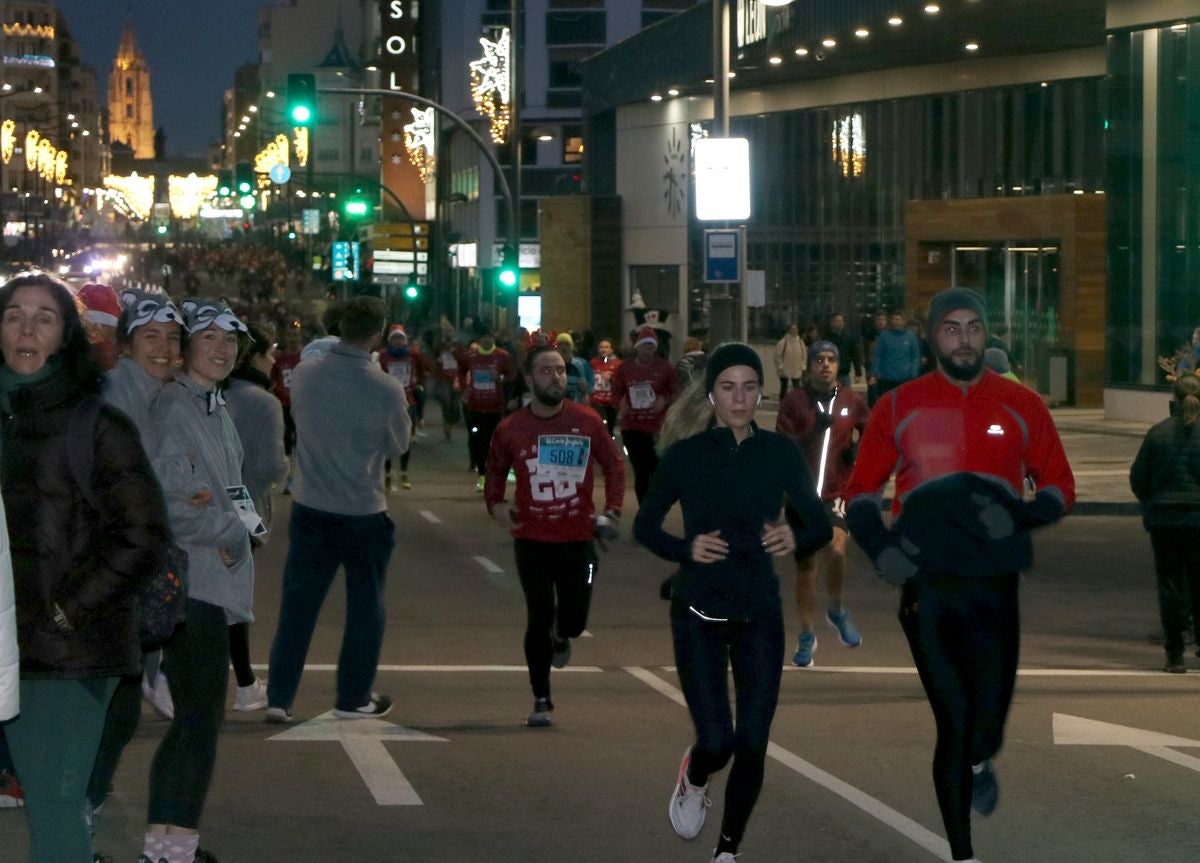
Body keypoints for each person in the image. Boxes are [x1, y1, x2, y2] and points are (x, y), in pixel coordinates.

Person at [844, 287, 1075, 863]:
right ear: (932, 337)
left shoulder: (1023, 405)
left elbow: (1059, 487)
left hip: (996, 586)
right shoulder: (899, 406)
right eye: (952, 329)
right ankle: (963, 854)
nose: (965, 339)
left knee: (985, 727)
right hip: (928, 586)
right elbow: (860, 493)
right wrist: (881, 551)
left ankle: (981, 757)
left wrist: (1020, 515)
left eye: (974, 327)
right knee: (953, 720)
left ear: (986, 333)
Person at [634, 342, 831, 863]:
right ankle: (695, 775)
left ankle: (727, 851)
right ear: (712, 394)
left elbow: (818, 522)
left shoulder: (780, 453)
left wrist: (796, 535)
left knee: (753, 742)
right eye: (728, 387)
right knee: (718, 742)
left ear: (760, 393)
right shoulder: (686, 457)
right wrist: (686, 548)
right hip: (698, 611)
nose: (739, 398)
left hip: (759, 613)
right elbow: (645, 526)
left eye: (749, 387)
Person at [0, 273, 169, 863]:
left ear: (66, 336)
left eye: (43, 318)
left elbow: (143, 535)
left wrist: (66, 611)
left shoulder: (94, 425)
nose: (25, 330)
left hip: (61, 657)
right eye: (14, 315)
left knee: (52, 809)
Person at [143, 297, 255, 863]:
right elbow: (166, 503)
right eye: (209, 338)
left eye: (231, 341)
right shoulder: (175, 408)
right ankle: (172, 849)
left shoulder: (212, 406)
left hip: (210, 579)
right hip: (192, 584)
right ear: (187, 345)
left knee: (193, 721)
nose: (222, 348)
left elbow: (227, 488)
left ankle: (167, 844)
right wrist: (232, 530)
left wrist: (242, 521)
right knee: (199, 722)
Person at [265, 296, 411, 724]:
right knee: (365, 607)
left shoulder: (307, 373)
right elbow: (398, 445)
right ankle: (353, 697)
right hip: (363, 509)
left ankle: (280, 696)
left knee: (298, 606)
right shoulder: (385, 386)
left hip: (311, 505)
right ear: (377, 333)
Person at [484, 345, 626, 727]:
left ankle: (563, 637)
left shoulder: (588, 421)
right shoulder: (511, 428)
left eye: (561, 370)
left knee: (574, 620)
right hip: (532, 539)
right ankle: (541, 697)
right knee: (539, 613)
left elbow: (614, 467)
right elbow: (494, 472)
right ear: (529, 379)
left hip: (579, 538)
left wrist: (612, 510)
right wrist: (496, 505)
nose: (556, 377)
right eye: (546, 371)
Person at [86, 288, 184, 838]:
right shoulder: (118, 396)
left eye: (172, 339)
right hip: (109, 571)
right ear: (125, 346)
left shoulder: (155, 393)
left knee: (114, 703)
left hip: (130, 568)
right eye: (151, 337)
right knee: (104, 706)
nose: (165, 348)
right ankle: (80, 807)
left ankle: (85, 803)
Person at [776, 340, 870, 667]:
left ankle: (837, 609)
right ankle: (806, 633)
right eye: (820, 360)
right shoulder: (795, 401)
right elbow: (781, 445)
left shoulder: (851, 401)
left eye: (831, 359)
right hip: (801, 496)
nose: (825, 365)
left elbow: (870, 433)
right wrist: (812, 432)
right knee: (805, 568)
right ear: (810, 365)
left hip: (834, 492)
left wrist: (855, 454)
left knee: (838, 548)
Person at [223, 322, 289, 710]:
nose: (274, 360)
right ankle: (245, 683)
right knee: (235, 596)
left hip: (207, 502)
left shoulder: (212, 393)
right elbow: (270, 466)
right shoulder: (264, 402)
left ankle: (245, 680)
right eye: (269, 353)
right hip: (245, 504)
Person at [1130, 374, 1200, 673]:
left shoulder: (1157, 434)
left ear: (1172, 398)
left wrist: (1152, 501)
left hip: (1165, 520)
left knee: (1170, 587)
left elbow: (1138, 478)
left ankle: (1175, 654)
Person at [613, 326, 678, 503]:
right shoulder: (624, 369)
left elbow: (677, 392)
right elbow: (616, 392)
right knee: (640, 472)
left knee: (656, 470)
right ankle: (645, 512)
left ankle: (655, 509)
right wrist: (621, 403)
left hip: (657, 428)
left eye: (651, 347)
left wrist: (664, 401)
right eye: (644, 346)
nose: (647, 351)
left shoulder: (665, 368)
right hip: (632, 428)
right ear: (637, 347)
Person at [462, 326, 513, 491]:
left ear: (493, 338)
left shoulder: (502, 356)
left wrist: (500, 377)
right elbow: (461, 371)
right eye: (483, 337)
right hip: (475, 407)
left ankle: (493, 472)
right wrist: (464, 388)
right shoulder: (470, 356)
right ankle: (482, 475)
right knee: (477, 439)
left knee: (493, 441)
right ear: (479, 339)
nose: (486, 340)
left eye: (489, 336)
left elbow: (511, 376)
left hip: (494, 407)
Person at [378, 325, 428, 491]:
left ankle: (404, 473)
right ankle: (387, 474)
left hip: (408, 400)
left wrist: (418, 383)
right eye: (395, 338)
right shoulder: (382, 355)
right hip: (387, 402)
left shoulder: (413, 354)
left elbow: (422, 369)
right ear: (390, 340)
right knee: (387, 438)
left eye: (401, 338)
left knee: (405, 437)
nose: (398, 341)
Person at [867, 309, 921, 406]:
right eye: (894, 319)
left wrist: (913, 373)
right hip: (887, 378)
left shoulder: (911, 337)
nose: (895, 322)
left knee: (904, 404)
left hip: (905, 378)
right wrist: (873, 373)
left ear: (903, 321)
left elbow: (915, 356)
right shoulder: (884, 336)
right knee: (888, 404)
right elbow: (878, 355)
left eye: (898, 319)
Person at [589, 337, 622, 436]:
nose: (604, 349)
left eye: (607, 347)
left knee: (609, 431)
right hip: (596, 401)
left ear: (612, 349)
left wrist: (611, 379)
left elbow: (622, 384)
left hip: (611, 402)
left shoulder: (618, 364)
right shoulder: (593, 362)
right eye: (601, 347)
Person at [822, 313, 863, 390]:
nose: (841, 323)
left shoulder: (849, 338)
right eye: (837, 321)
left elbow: (855, 356)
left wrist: (858, 373)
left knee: (846, 398)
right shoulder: (826, 339)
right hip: (830, 374)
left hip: (844, 374)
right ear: (832, 323)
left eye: (842, 321)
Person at [555, 331, 593, 404]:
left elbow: (590, 384)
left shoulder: (580, 364)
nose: (563, 348)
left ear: (571, 347)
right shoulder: (553, 365)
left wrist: (585, 392)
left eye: (567, 344)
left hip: (576, 405)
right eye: (560, 344)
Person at [773, 323, 807, 399]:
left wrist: (803, 365)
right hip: (785, 369)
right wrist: (780, 365)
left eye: (796, 329)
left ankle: (796, 404)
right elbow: (777, 355)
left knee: (797, 388)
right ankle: (783, 404)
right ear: (789, 330)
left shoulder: (800, 342)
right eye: (792, 329)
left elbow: (804, 355)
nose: (794, 331)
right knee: (784, 388)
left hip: (797, 369)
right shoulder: (783, 342)